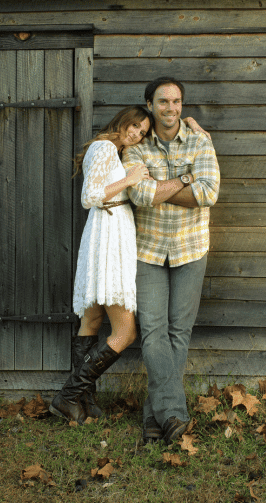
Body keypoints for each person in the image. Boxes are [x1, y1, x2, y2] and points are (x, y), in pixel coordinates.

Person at [49, 105, 208, 425]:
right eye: (133, 126)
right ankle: (67, 396)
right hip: (107, 240)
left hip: (110, 235)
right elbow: (89, 195)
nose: (136, 133)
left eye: (142, 131)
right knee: (125, 332)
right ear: (121, 122)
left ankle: (85, 401)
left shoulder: (117, 151)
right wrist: (132, 178)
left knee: (91, 322)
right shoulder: (105, 147)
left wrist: (192, 126)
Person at [123, 77, 220, 445]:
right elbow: (141, 194)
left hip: (190, 247)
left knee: (179, 332)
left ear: (182, 104)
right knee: (152, 332)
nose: (171, 108)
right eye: (163, 101)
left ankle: (154, 417)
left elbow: (209, 192)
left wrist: (164, 186)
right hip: (147, 250)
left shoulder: (199, 141)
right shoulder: (136, 147)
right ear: (150, 104)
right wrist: (186, 178)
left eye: (176, 101)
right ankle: (174, 413)